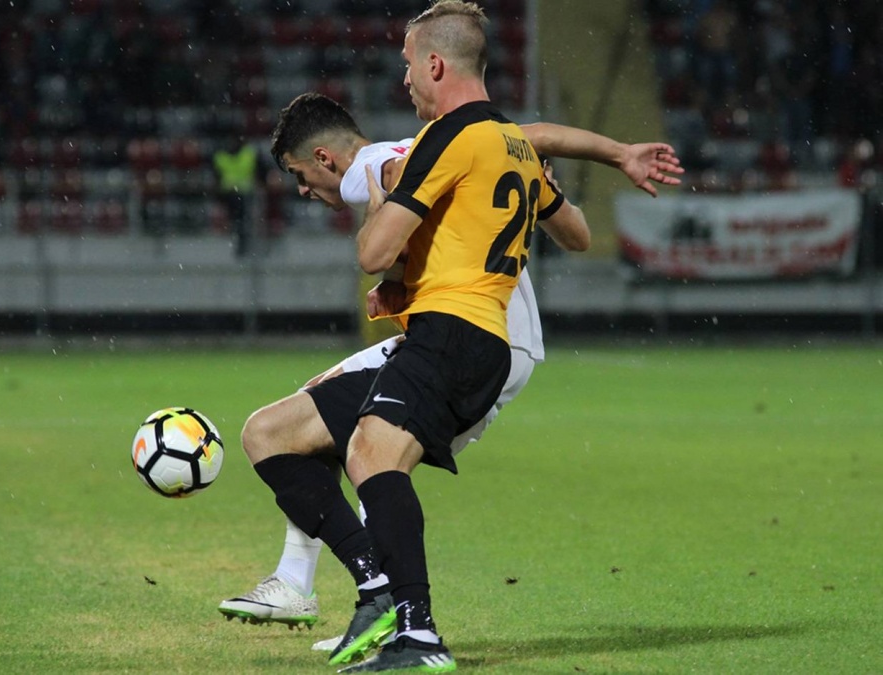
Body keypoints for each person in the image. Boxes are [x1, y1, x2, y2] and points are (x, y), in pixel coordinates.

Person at [241, 4, 682, 671]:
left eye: (408, 64)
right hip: (466, 332)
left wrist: (388, 204)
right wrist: (605, 160)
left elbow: (372, 249)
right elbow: (577, 231)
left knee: (372, 453)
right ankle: (376, 594)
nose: (404, 79)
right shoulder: (507, 143)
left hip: (458, 332)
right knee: (279, 432)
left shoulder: (433, 143)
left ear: (436, 64)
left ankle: (408, 626)